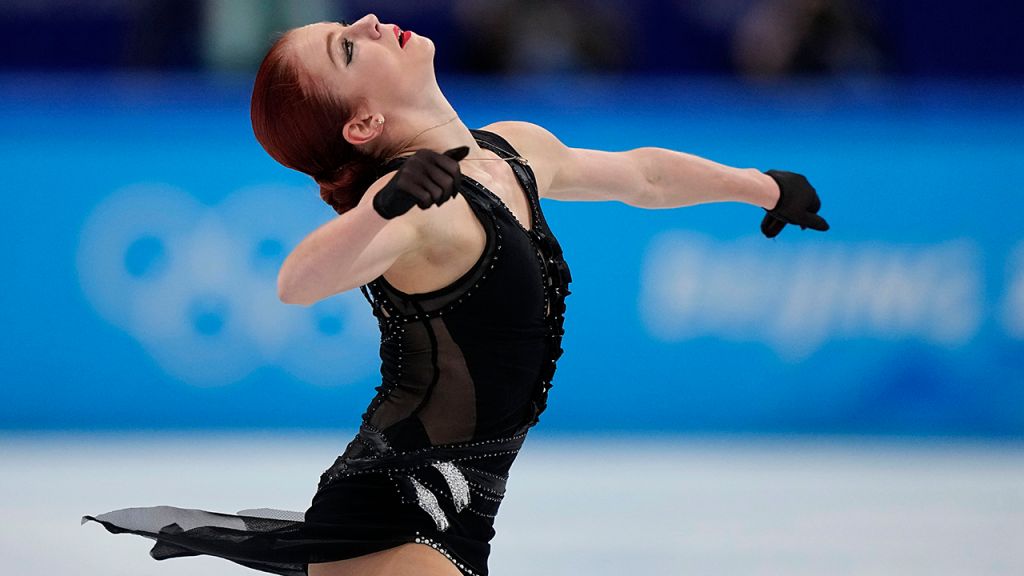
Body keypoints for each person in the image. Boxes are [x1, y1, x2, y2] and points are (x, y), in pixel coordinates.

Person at [81, 14, 830, 576]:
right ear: (365, 122)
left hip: (457, 507)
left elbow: (643, 176)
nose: (371, 23)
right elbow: (297, 281)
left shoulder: (512, 148)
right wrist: (383, 203)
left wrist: (762, 188)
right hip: (397, 509)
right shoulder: (418, 209)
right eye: (350, 46)